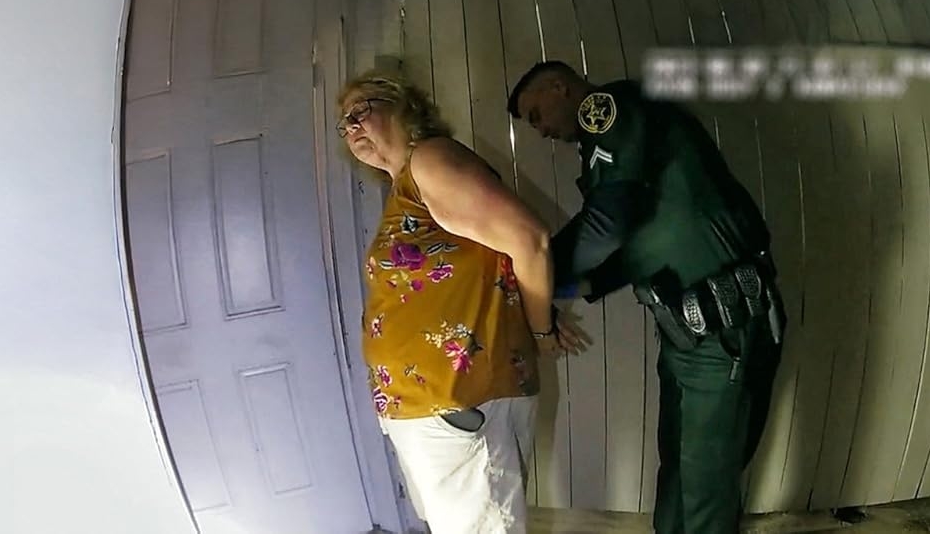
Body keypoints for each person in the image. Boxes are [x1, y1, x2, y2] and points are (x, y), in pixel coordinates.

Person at [507, 60, 786, 534]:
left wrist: (537, 273)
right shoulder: (619, 145)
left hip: (723, 330)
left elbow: (608, 223)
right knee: (678, 465)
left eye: (537, 115)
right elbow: (631, 242)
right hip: (689, 334)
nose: (541, 131)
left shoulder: (611, 109)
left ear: (559, 86)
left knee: (706, 483)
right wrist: (568, 287)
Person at [337, 70, 573, 533]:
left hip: (456, 402)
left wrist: (542, 330)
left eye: (359, 111)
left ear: (402, 104)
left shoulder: (429, 159)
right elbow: (484, 265)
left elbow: (529, 241)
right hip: (428, 406)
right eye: (343, 124)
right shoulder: (405, 185)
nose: (351, 127)